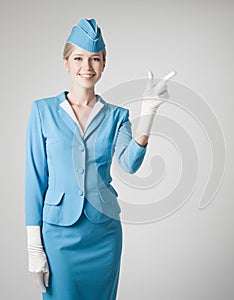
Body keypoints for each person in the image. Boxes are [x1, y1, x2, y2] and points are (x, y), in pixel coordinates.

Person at [25, 17, 176, 300]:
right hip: (58, 233)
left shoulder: (117, 116)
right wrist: (34, 248)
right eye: (79, 58)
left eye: (95, 58)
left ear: (104, 64)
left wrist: (148, 113)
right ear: (66, 62)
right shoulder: (42, 111)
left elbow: (130, 164)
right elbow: (35, 178)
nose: (87, 67)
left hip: (103, 233)